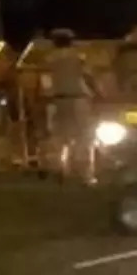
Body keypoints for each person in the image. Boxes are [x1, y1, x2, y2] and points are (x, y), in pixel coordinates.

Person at [42, 29, 95, 180]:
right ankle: (86, 173)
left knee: (60, 135)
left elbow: (46, 82)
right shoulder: (79, 57)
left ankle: (60, 168)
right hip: (78, 98)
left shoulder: (49, 59)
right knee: (84, 135)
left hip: (58, 100)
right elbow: (88, 76)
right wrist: (99, 93)